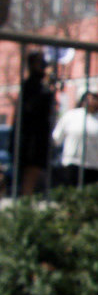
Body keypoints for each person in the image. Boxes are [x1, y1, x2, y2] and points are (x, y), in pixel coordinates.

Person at [50, 91, 98, 188]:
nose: (92, 101)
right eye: (89, 98)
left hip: (94, 166)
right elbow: (56, 138)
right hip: (71, 164)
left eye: (95, 98)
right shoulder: (71, 116)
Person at [13, 49, 54, 196]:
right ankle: (25, 201)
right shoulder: (31, 85)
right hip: (31, 138)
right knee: (30, 172)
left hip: (38, 136)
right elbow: (33, 108)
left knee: (35, 173)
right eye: (41, 61)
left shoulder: (40, 85)